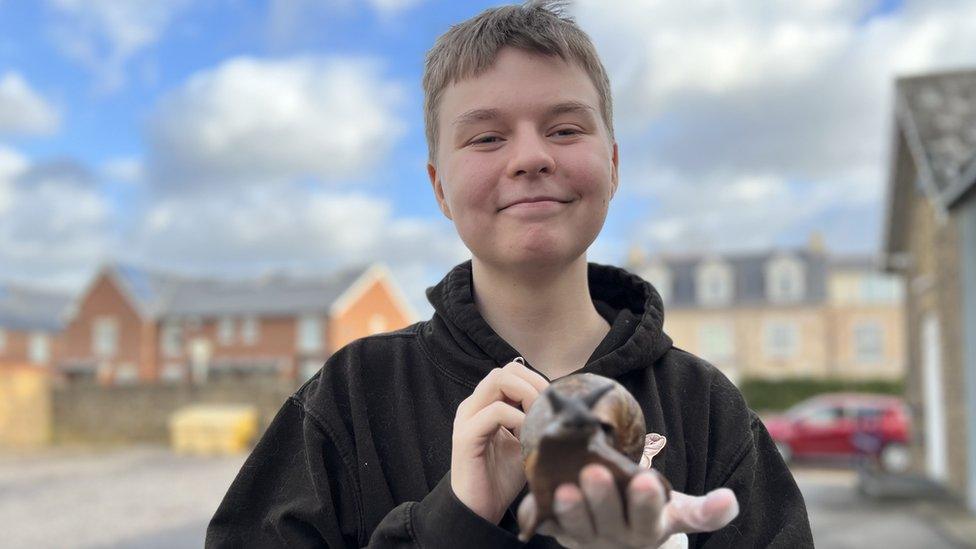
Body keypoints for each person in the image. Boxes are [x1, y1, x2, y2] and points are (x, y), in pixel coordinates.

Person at [205, 1, 814, 547]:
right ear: (439, 186)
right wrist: (454, 521)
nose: (530, 158)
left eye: (565, 129)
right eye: (487, 136)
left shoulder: (704, 408)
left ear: (613, 164)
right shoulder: (350, 398)